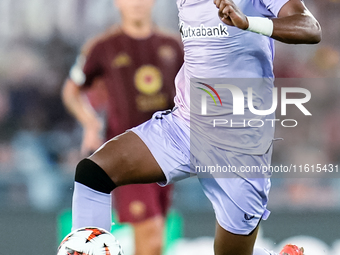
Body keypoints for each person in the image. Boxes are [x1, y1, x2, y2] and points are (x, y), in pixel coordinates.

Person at [69, 0, 321, 255]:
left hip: (240, 146)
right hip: (184, 127)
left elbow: (310, 28)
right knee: (93, 174)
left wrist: (248, 23)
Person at [62, 0, 184, 254]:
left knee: (157, 236)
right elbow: (71, 90)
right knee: (149, 231)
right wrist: (91, 123)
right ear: (117, 2)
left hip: (168, 151)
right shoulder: (102, 47)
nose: (137, 3)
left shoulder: (174, 45)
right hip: (127, 152)